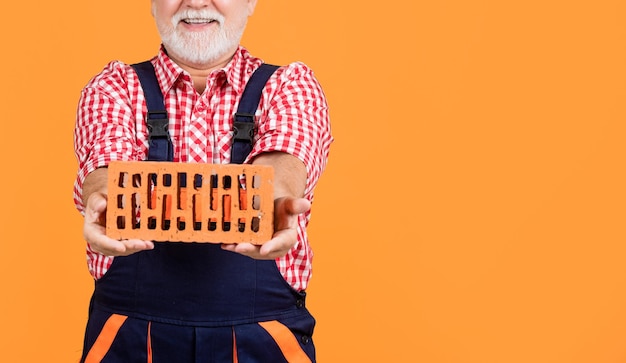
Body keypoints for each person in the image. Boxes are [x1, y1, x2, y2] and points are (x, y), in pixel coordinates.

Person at [72, 0, 332, 361]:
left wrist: (275, 200)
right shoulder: (115, 88)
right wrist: (102, 198)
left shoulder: (289, 86)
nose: (195, 1)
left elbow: (284, 159)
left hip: (264, 341)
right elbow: (105, 162)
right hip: (129, 341)